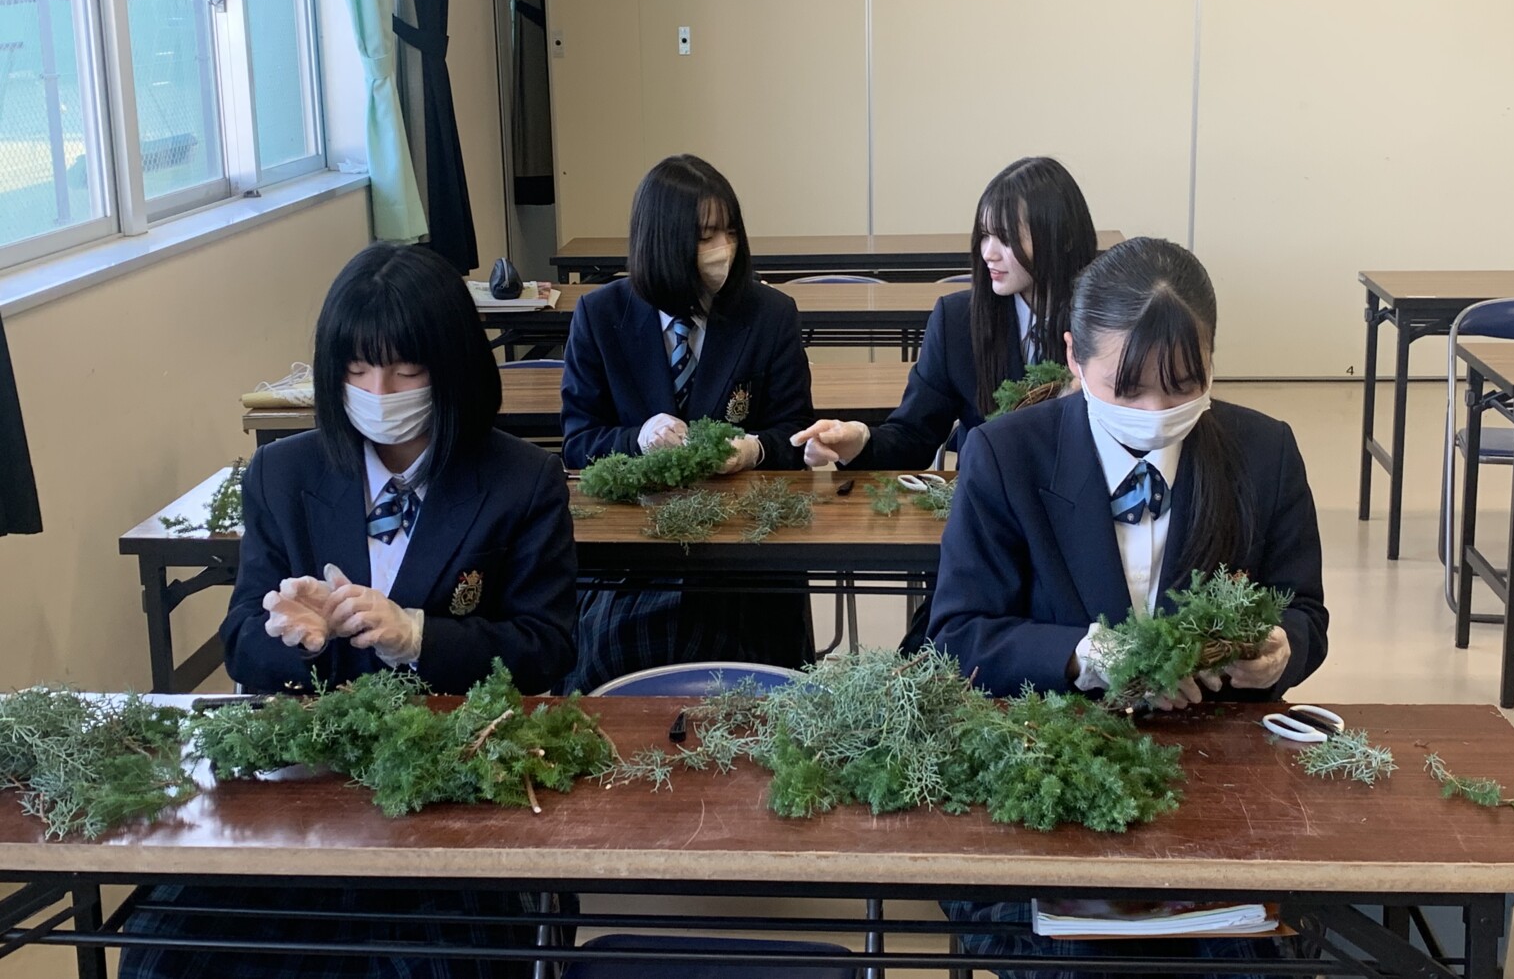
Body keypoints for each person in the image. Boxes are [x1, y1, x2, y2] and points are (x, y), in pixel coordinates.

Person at [121, 242, 577, 979]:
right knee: (161, 954)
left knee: (431, 965)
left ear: (452, 366)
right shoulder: (282, 474)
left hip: (448, 793)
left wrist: (418, 636)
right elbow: (240, 641)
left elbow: (546, 646)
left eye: (405, 370)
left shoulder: (520, 481)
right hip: (303, 792)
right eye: (357, 370)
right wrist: (290, 636)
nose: (378, 390)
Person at [928, 236, 1328, 979]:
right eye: (1127, 388)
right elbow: (958, 635)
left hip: (1216, 780)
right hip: (1047, 769)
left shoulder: (1263, 452)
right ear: (1074, 356)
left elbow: (1305, 610)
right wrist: (1084, 655)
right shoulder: (1007, 455)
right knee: (1071, 958)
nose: (1156, 413)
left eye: (1183, 386)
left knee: (1250, 956)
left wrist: (1281, 649)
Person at [559, 154, 814, 692]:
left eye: (730, 231)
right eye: (704, 236)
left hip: (742, 556)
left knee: (746, 674)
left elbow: (795, 436)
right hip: (635, 556)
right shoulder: (601, 316)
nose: (723, 248)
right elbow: (578, 442)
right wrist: (638, 438)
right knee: (610, 666)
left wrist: (754, 450)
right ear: (661, 241)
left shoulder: (770, 315)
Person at [790, 156, 1095, 471]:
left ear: (1064, 238)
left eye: (1006, 238)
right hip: (985, 495)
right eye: (984, 235)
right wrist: (859, 442)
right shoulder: (957, 320)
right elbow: (914, 437)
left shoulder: (1107, 323)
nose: (988, 253)